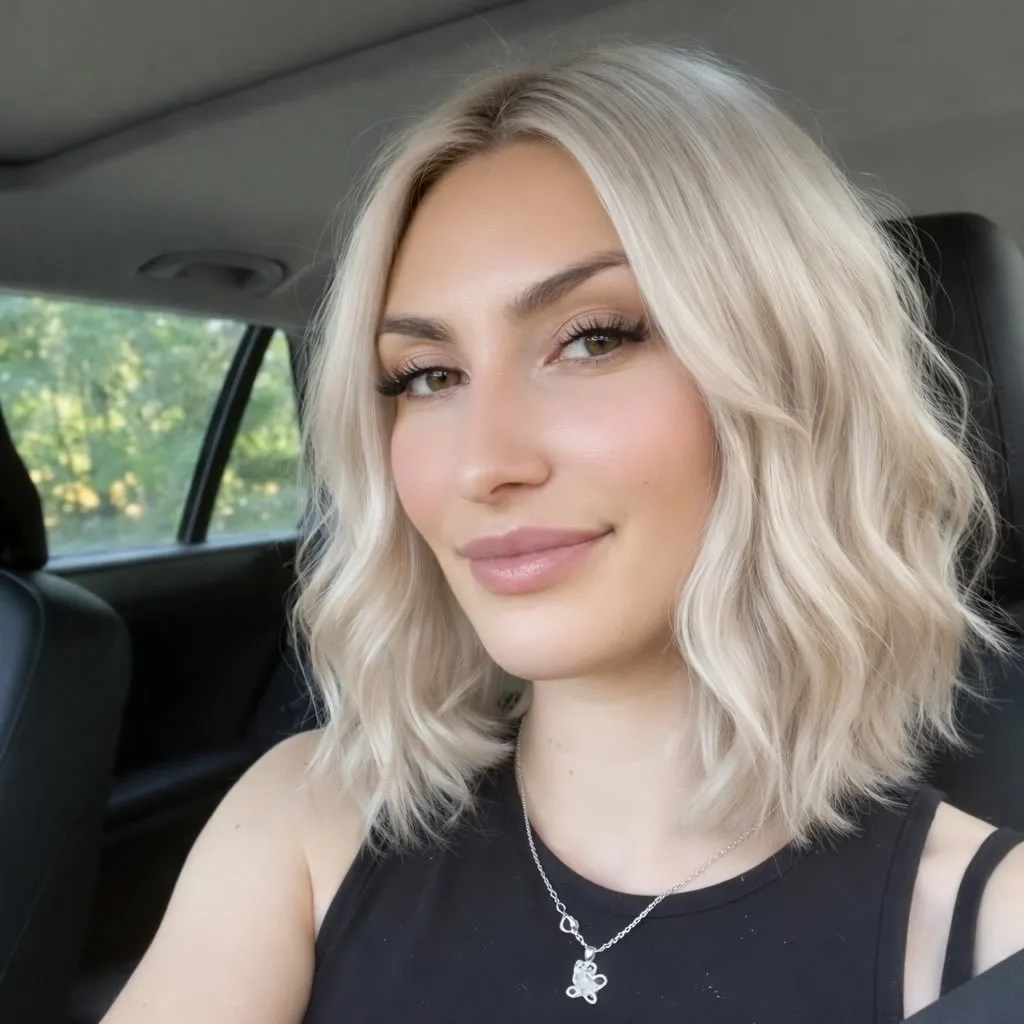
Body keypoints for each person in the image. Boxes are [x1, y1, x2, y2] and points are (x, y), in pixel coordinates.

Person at [102, 43, 1024, 1023]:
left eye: (593, 339)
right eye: (428, 375)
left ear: (791, 376)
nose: (481, 464)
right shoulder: (305, 820)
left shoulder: (987, 934)